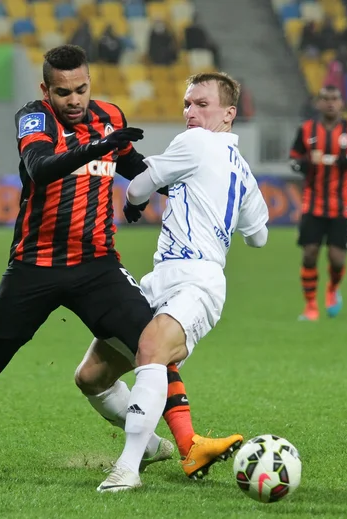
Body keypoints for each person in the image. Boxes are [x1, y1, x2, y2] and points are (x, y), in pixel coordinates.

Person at [0, 45, 233, 479]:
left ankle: (189, 445)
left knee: (151, 344)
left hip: (97, 265)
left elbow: (139, 171)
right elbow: (40, 167)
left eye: (82, 89)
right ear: (47, 90)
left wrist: (164, 189)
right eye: (64, 92)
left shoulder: (109, 117)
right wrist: (98, 146)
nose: (75, 100)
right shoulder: (35, 118)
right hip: (34, 267)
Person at [96, 72, 270, 492]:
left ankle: (128, 467)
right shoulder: (243, 171)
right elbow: (259, 236)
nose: (190, 112)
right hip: (164, 277)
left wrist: (136, 200)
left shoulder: (194, 143)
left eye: (202, 104)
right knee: (92, 376)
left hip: (196, 280)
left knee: (151, 351)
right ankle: (160, 445)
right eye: (187, 104)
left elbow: (138, 187)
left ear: (229, 114)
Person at [289, 85, 347, 322]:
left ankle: (333, 289)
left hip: (341, 205)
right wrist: (303, 165)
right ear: (318, 103)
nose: (330, 103)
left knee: (337, 259)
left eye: (334, 98)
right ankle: (311, 306)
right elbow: (293, 158)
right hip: (312, 204)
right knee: (309, 254)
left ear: (341, 103)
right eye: (325, 99)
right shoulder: (306, 130)